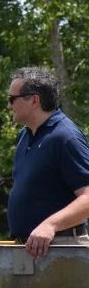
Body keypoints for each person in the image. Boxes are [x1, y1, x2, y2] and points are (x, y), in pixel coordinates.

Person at [7, 67, 89, 257]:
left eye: (12, 99)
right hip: (31, 249)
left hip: (61, 248)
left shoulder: (65, 137)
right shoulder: (25, 135)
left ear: (34, 100)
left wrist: (50, 225)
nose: (9, 106)